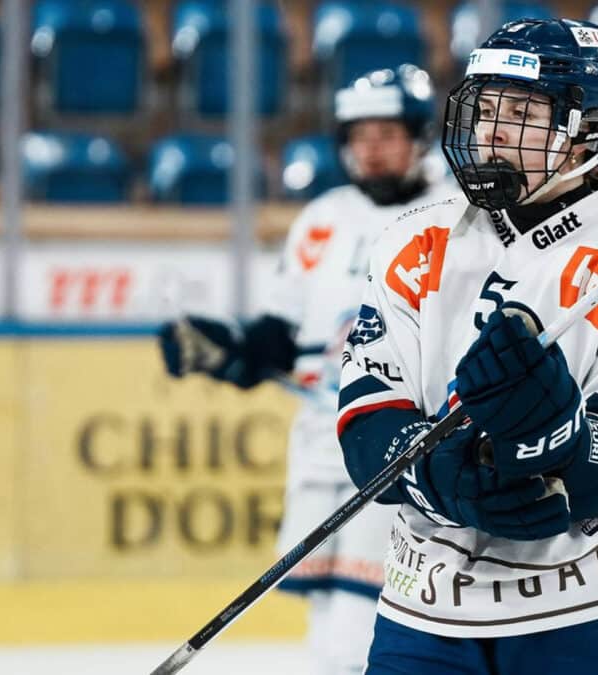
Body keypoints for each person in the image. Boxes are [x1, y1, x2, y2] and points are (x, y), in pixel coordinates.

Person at [337, 19, 598, 675]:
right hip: (425, 610)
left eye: (524, 112)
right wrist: (431, 476)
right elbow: (367, 414)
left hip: (594, 608)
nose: (493, 131)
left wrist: (556, 437)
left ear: (588, 127)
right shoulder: (410, 242)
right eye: (485, 108)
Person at [157, 64, 455, 674]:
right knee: (328, 619)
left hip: (402, 446)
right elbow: (281, 334)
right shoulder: (324, 217)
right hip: (323, 446)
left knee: (361, 630)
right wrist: (229, 349)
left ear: (421, 136)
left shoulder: (457, 215)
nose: (371, 149)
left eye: (387, 133)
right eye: (358, 135)